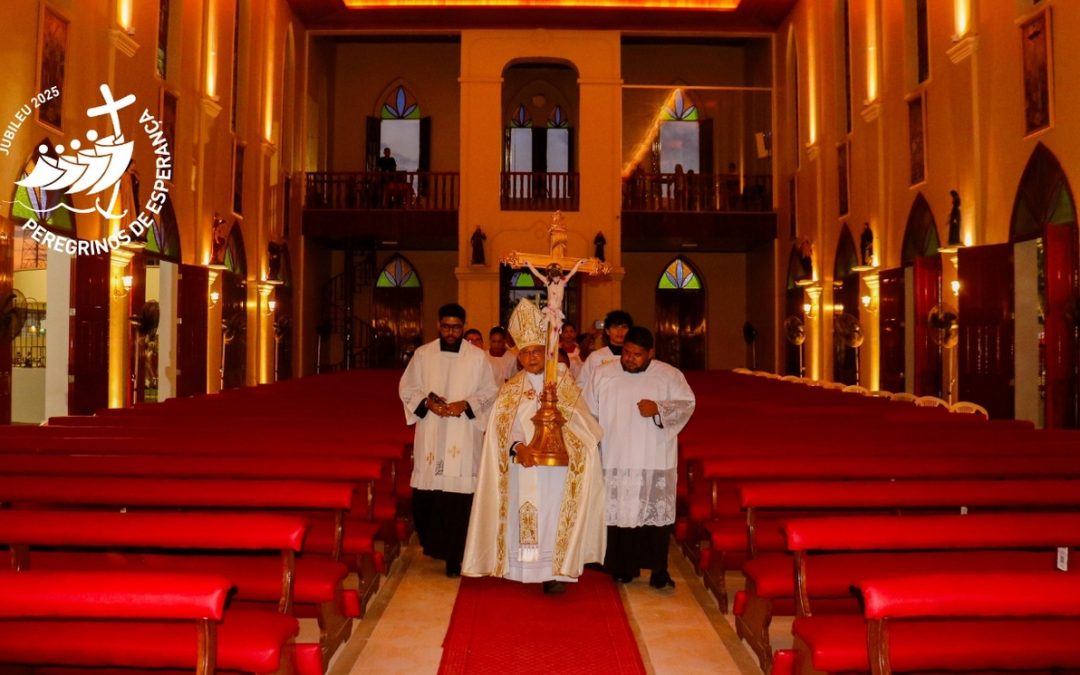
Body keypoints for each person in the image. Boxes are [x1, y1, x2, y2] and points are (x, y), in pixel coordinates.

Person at [463, 299, 606, 594]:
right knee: (526, 512)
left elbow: (583, 423)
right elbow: (503, 427)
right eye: (525, 352)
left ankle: (555, 572)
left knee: (554, 515)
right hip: (524, 466)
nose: (530, 357)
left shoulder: (563, 382)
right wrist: (519, 448)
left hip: (558, 470)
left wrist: (567, 445)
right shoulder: (511, 388)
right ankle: (523, 568)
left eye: (536, 351)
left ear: (546, 353)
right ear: (519, 355)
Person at [583, 326, 695, 589]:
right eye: (627, 353)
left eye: (637, 355)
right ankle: (623, 567)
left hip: (652, 457)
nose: (630, 359)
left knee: (653, 517)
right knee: (619, 514)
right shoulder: (603, 373)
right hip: (615, 455)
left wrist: (659, 409)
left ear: (651, 353)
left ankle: (658, 570)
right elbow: (587, 410)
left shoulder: (668, 375)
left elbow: (687, 404)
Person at [398, 303, 498, 577]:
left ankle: (455, 555)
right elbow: (407, 387)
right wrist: (427, 403)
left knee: (457, 499)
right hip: (431, 431)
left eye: (456, 327)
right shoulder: (423, 354)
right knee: (429, 496)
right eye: (446, 326)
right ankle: (434, 547)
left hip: (462, 434)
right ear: (438, 325)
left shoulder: (477, 358)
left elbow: (490, 391)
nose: (451, 331)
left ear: (464, 326)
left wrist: (465, 405)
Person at [576, 310, 632, 389]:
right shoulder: (596, 357)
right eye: (615, 327)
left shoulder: (634, 358)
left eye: (624, 327)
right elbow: (580, 384)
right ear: (607, 331)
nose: (620, 331)